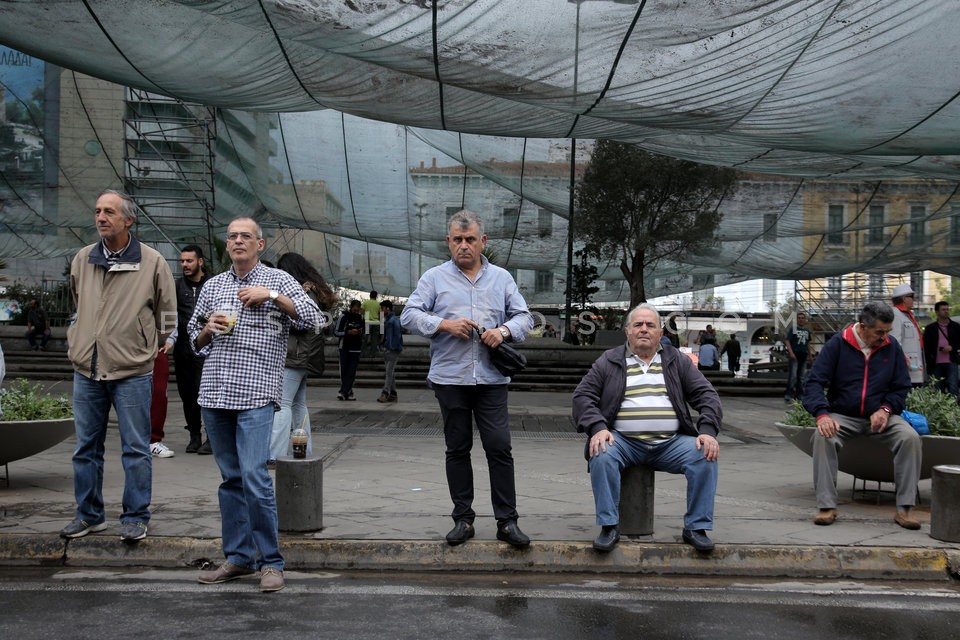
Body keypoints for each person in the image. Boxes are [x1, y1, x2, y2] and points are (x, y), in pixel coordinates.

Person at [190, 217, 320, 593]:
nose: (238, 241)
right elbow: (192, 341)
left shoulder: (278, 280)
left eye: (246, 236)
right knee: (231, 479)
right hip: (215, 393)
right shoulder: (213, 285)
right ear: (226, 244)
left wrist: (273, 298)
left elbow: (315, 319)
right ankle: (238, 558)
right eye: (232, 236)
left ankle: (271, 562)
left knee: (255, 477)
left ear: (260, 245)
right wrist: (206, 328)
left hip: (256, 395)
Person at [401, 209, 534, 548]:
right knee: (457, 449)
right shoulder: (433, 278)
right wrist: (444, 324)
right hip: (450, 379)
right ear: (449, 242)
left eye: (470, 239)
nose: (463, 245)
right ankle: (463, 519)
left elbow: (524, 318)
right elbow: (409, 315)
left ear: (482, 242)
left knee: (499, 448)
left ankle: (507, 522)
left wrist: (502, 331)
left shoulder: (502, 278)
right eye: (457, 240)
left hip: (491, 380)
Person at [60, 189, 176, 543]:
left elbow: (167, 313)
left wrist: (151, 345)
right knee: (86, 448)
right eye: (97, 211)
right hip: (87, 369)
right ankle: (89, 515)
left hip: (132, 371)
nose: (100, 217)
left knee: (136, 448)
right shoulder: (83, 258)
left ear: (128, 219)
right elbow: (80, 304)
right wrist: (78, 339)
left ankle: (136, 516)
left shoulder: (153, 261)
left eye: (109, 212)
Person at [573, 303, 721, 553]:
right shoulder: (609, 360)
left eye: (650, 325)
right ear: (627, 331)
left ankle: (696, 527)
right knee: (601, 451)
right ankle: (609, 525)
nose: (644, 329)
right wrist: (597, 427)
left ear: (660, 333)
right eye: (638, 325)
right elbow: (582, 396)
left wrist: (707, 430)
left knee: (705, 455)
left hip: (671, 443)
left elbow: (707, 395)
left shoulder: (676, 360)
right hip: (623, 442)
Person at [801, 301, 921, 530]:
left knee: (910, 438)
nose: (884, 337)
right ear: (863, 327)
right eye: (879, 332)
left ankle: (905, 509)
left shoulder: (891, 346)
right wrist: (822, 415)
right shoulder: (837, 344)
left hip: (880, 415)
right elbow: (814, 383)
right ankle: (827, 506)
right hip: (843, 414)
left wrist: (885, 409)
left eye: (888, 332)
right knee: (823, 436)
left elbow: (901, 387)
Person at [269, 252, 337, 462]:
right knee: (298, 405)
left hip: (294, 355)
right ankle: (302, 451)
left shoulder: (301, 292)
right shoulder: (314, 290)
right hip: (304, 356)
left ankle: (274, 454)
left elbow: (301, 322)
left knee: (282, 404)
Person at [173, 245, 213, 454]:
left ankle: (211, 437)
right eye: (182, 261)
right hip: (183, 350)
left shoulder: (213, 284)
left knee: (204, 392)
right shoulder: (178, 286)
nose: (185, 265)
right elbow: (169, 315)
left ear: (200, 262)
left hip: (206, 349)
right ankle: (194, 435)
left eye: (189, 261)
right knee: (187, 394)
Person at [923, 300, 960, 397]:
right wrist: (928, 364)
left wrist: (952, 347)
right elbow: (926, 348)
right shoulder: (930, 328)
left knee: (953, 387)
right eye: (943, 309)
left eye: (947, 309)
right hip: (936, 363)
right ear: (937, 312)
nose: (946, 311)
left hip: (951, 362)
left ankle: (955, 409)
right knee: (937, 388)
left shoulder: (956, 327)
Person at [891, 283, 925, 386]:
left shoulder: (908, 314)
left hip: (914, 364)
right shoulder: (896, 314)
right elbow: (895, 341)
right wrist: (903, 360)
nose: (913, 299)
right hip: (907, 365)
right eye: (911, 297)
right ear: (904, 298)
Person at [148, 338, 175, 458]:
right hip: (133, 347)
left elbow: (167, 320)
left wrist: (170, 339)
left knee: (159, 395)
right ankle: (145, 441)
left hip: (156, 347)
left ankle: (153, 440)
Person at [334, 299, 364, 401]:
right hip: (344, 347)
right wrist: (348, 333)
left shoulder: (361, 318)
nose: (356, 312)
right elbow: (336, 332)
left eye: (358, 310)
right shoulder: (343, 317)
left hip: (356, 348)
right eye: (354, 310)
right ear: (350, 308)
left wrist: (360, 332)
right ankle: (348, 391)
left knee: (351, 372)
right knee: (344, 371)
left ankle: (344, 391)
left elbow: (364, 331)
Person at [377, 299, 403, 403]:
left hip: (392, 350)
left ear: (388, 308)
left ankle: (385, 393)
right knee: (390, 372)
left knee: (388, 372)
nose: (381, 311)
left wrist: (392, 347)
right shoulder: (387, 319)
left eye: (382, 308)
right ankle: (393, 394)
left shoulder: (394, 320)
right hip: (388, 349)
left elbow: (397, 335)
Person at [783, 311, 811, 402]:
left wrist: (810, 356)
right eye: (799, 318)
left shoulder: (807, 331)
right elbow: (787, 341)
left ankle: (800, 395)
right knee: (793, 376)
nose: (801, 319)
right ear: (797, 319)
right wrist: (791, 353)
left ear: (805, 319)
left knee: (802, 377)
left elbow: (808, 344)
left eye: (803, 318)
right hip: (795, 354)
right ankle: (788, 394)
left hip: (803, 355)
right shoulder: (793, 329)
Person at [361, 291, 381, 357]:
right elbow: (380, 313)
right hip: (376, 322)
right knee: (374, 339)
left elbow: (362, 311)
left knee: (365, 338)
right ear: (376, 296)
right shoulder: (378, 304)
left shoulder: (365, 303)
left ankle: (362, 354)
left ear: (370, 295)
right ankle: (372, 354)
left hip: (367, 322)